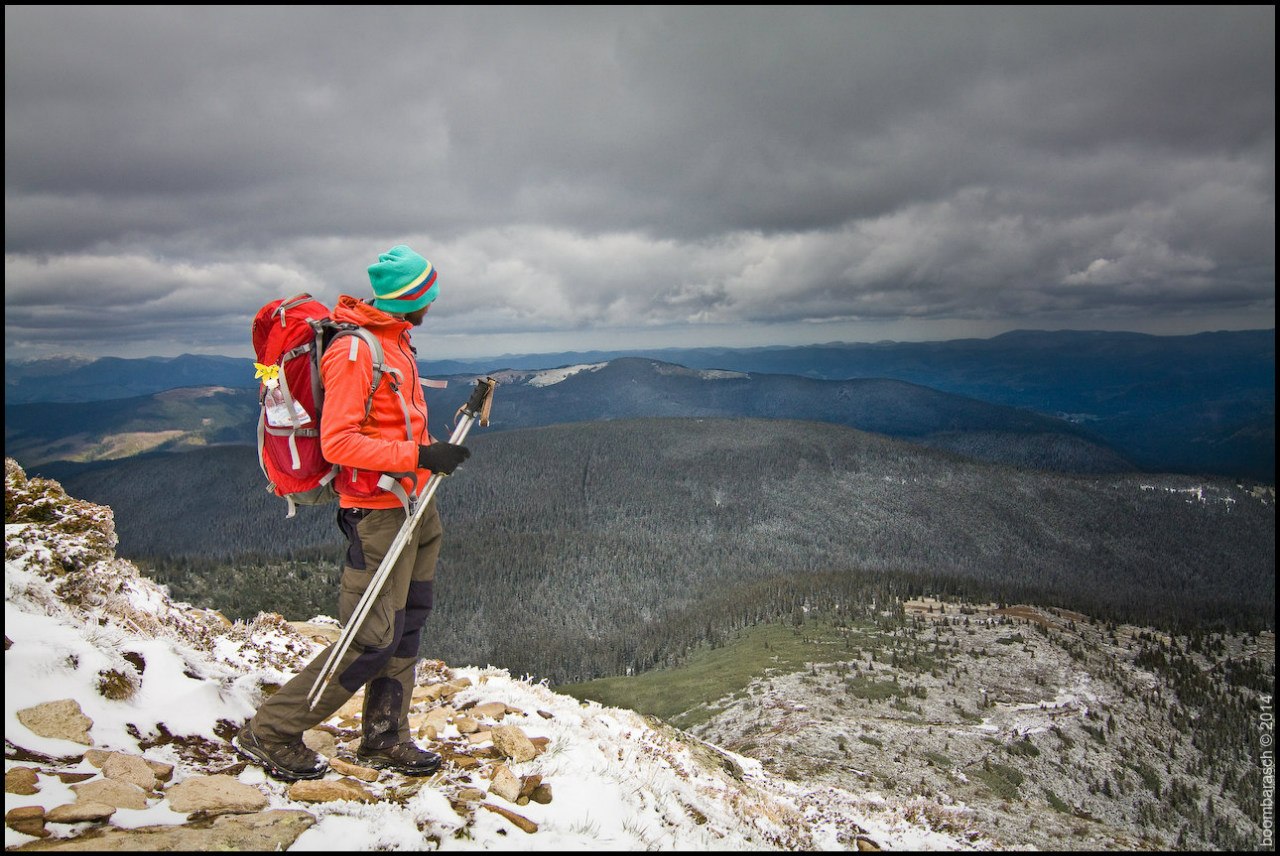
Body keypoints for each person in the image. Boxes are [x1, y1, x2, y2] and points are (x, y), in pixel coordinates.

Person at [234, 245, 471, 780]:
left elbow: (395, 425)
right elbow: (339, 443)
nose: (432, 306)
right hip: (376, 512)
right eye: (428, 296)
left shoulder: (396, 343)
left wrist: (428, 455)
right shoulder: (355, 352)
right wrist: (418, 456)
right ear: (413, 298)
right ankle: (271, 729)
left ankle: (386, 736)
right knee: (370, 636)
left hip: (414, 504)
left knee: (408, 623)